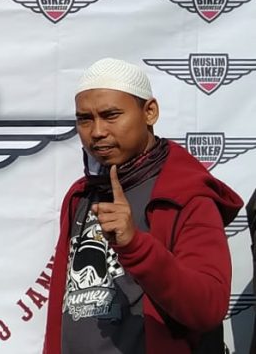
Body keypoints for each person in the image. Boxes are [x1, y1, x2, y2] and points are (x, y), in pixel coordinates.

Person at [43, 58, 243, 354]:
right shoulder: (80, 194)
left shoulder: (186, 195)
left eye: (111, 115)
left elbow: (208, 308)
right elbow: (61, 312)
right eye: (85, 119)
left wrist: (135, 245)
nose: (97, 131)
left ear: (150, 112)